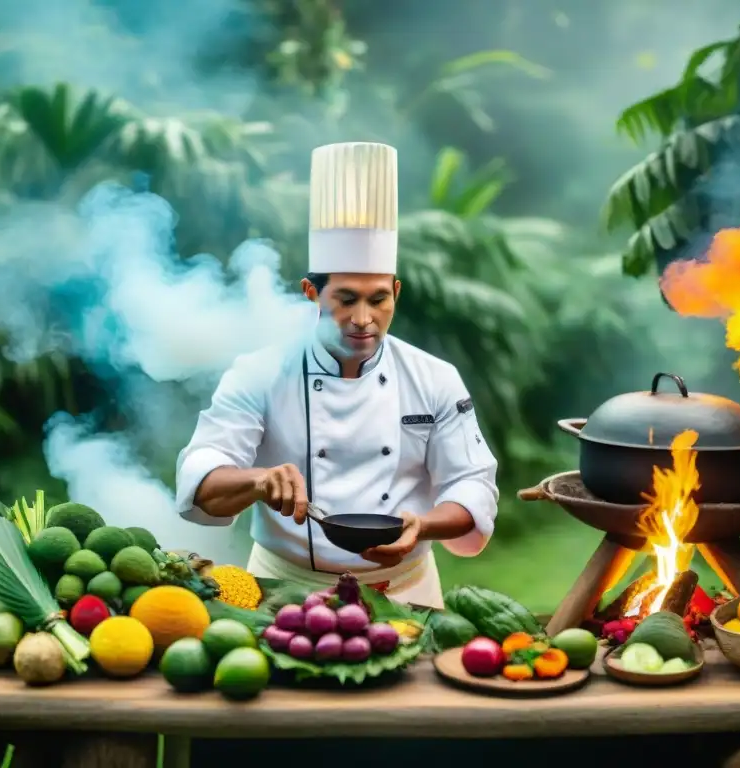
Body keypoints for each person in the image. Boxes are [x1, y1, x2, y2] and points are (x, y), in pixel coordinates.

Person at [175, 141, 499, 609]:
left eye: (379, 298)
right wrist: (259, 480)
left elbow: (471, 484)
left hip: (408, 591)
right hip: (280, 592)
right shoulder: (259, 373)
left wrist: (421, 527)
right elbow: (201, 474)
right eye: (346, 299)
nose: (364, 318)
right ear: (312, 292)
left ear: (396, 292)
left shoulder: (435, 377)